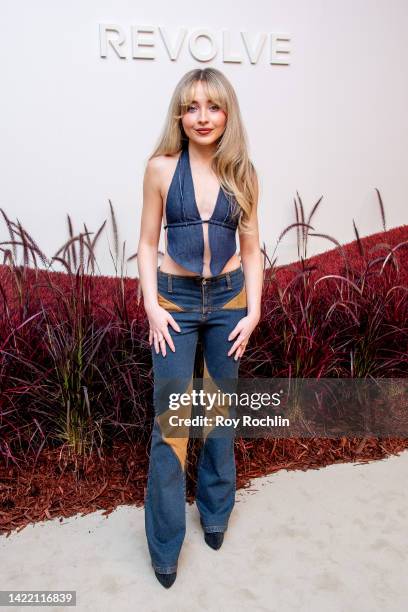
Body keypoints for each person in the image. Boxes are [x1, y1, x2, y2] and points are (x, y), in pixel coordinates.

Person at [137, 67, 263, 588]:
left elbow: (253, 250)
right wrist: (152, 307)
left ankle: (214, 516)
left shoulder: (244, 172)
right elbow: (147, 244)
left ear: (227, 113)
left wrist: (253, 311)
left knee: (217, 417)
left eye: (213, 106)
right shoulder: (161, 170)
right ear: (180, 116)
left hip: (229, 302)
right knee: (171, 428)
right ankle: (165, 549)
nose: (203, 116)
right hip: (176, 303)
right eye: (192, 107)